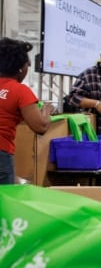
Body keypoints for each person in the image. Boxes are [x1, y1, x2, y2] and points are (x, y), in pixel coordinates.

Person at [0, 38, 53, 184]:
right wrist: (47, 111)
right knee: (3, 201)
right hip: (1, 152)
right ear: (21, 68)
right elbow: (40, 126)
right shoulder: (19, 90)